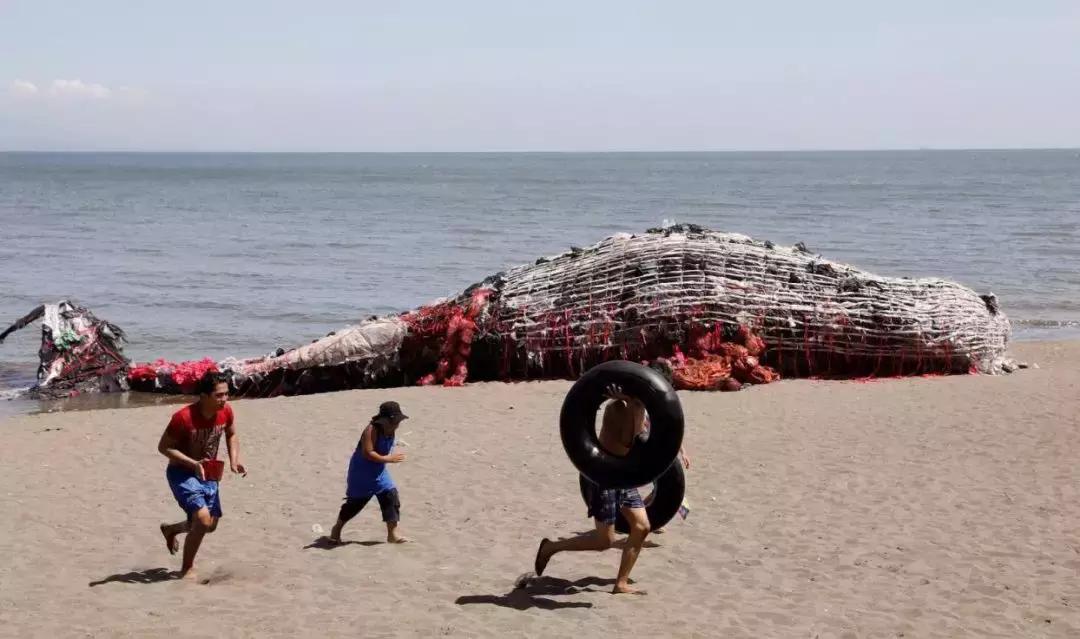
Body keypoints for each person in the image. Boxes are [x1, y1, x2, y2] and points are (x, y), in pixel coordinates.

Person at [532, 383, 654, 595]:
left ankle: (621, 583)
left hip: (623, 476)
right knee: (604, 541)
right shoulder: (617, 408)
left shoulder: (642, 409)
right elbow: (629, 443)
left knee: (642, 527)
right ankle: (551, 547)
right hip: (602, 475)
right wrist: (635, 409)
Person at [157, 371, 246, 580]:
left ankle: (172, 530)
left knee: (209, 525)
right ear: (204, 396)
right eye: (219, 395)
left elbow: (232, 434)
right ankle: (187, 568)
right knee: (203, 520)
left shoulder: (226, 411)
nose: (224, 399)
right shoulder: (183, 417)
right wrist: (193, 464)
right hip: (182, 473)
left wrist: (234, 461)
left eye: (226, 394)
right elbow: (164, 447)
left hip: (209, 473)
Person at [329, 401, 409, 544]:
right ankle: (337, 529)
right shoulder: (371, 430)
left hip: (379, 472)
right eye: (394, 421)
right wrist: (388, 459)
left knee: (391, 496)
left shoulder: (391, 430)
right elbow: (368, 452)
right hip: (361, 473)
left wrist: (386, 459)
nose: (397, 424)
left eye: (398, 421)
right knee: (355, 504)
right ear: (384, 420)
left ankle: (392, 534)